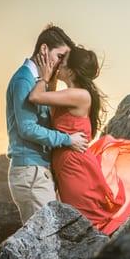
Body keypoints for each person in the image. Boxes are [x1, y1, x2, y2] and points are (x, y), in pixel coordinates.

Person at [28, 44, 130, 235]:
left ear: (71, 72)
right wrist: (50, 78)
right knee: (77, 219)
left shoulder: (79, 95)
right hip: (68, 163)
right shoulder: (71, 94)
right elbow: (47, 100)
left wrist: (44, 77)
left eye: (63, 62)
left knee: (85, 220)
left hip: (75, 166)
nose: (58, 64)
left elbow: (36, 97)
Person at [6, 25, 89, 223]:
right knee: (47, 240)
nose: (61, 64)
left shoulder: (36, 80)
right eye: (60, 56)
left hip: (37, 171)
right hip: (30, 173)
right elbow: (27, 129)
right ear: (44, 50)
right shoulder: (23, 80)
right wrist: (68, 139)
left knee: (50, 238)